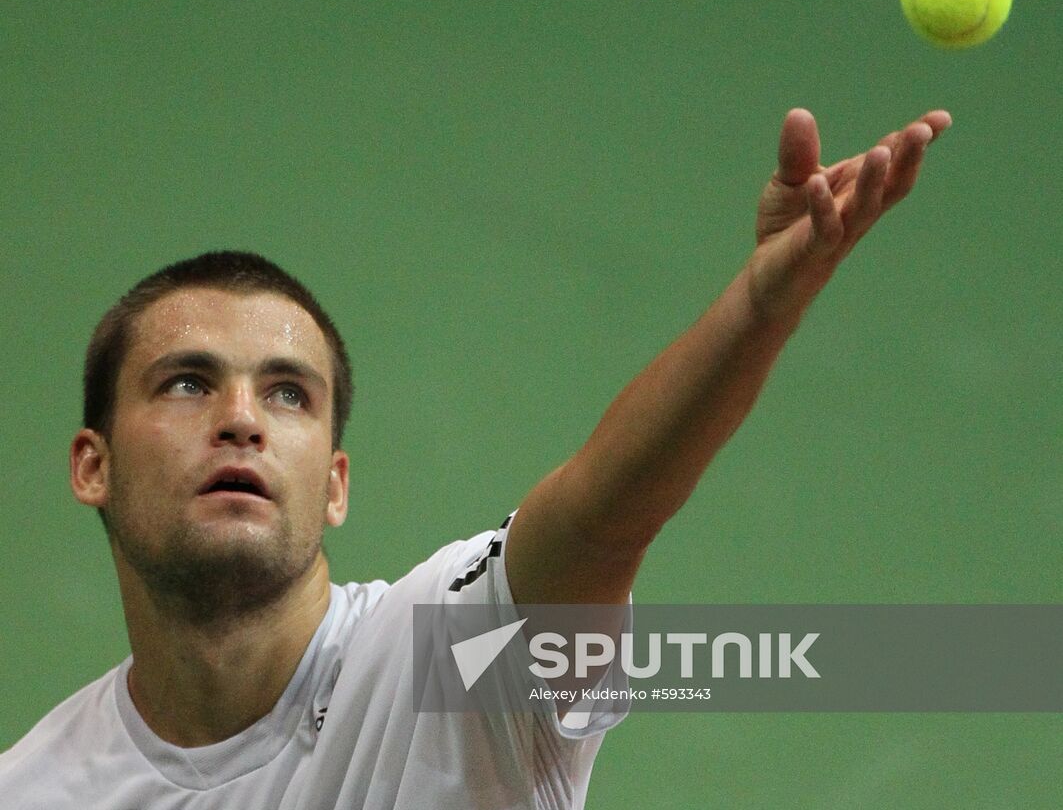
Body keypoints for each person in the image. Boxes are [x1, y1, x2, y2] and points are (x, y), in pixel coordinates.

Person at [0, 107, 951, 808]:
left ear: (334, 485)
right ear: (93, 466)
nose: (242, 418)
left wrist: (756, 310)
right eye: (186, 383)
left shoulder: (453, 659)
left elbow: (600, 516)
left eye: (289, 393)